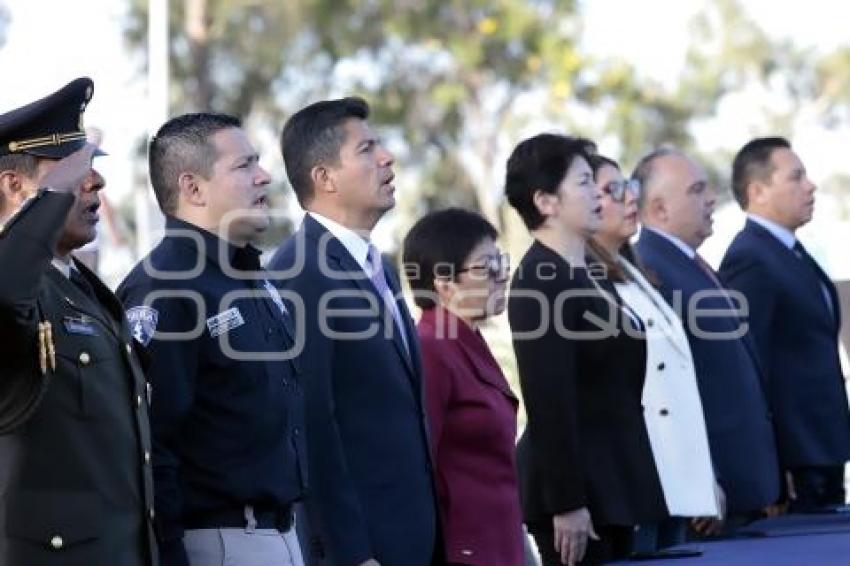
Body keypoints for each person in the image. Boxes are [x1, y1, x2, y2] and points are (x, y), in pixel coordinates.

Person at [117, 113, 306, 566]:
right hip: (220, 542)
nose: (264, 175)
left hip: (281, 534)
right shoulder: (165, 289)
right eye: (243, 165)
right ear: (193, 188)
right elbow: (150, 445)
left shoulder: (246, 274)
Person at [268, 97, 438, 565]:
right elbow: (313, 427)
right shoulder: (299, 270)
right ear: (324, 178)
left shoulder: (376, 263)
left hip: (413, 535)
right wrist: (350, 551)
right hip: (363, 547)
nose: (387, 158)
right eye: (366, 149)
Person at [0, 78, 156, 565]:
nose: (94, 182)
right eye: (71, 171)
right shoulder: (18, 286)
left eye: (90, 168)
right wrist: (51, 197)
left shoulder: (84, 291)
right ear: (13, 185)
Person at [505, 134, 667, 565]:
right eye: (582, 183)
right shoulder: (540, 280)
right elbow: (548, 400)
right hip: (577, 502)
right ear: (545, 201)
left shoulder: (585, 274)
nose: (598, 193)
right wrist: (568, 503)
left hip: (613, 486)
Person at [633, 148, 780, 526]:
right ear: (659, 208)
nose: (711, 199)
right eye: (696, 190)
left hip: (746, 487)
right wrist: (701, 479)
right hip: (714, 501)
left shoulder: (690, 264)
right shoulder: (651, 271)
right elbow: (664, 391)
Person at [586, 155, 721, 548]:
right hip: (640, 486)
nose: (630, 198)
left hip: (676, 484)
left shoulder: (636, 274)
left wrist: (702, 475)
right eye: (611, 191)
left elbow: (677, 387)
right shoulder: (584, 284)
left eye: (628, 186)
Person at [720, 137, 850, 511]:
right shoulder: (750, 258)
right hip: (795, 462)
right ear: (757, 191)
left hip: (823, 450)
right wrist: (775, 461)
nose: (810, 186)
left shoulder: (791, 253)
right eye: (796, 177)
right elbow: (748, 365)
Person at [402, 208, 524, 566]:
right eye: (487, 267)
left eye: (501, 262)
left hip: (497, 541)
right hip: (465, 549)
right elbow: (422, 464)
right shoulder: (432, 346)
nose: (502, 276)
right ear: (443, 283)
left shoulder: (465, 338)